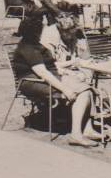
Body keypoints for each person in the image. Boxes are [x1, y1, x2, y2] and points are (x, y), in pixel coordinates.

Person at [12, 15, 100, 147]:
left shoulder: (37, 45)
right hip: (32, 82)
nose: (43, 32)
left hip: (50, 77)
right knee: (82, 91)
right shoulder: (28, 48)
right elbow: (43, 73)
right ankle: (76, 134)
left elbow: (53, 66)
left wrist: (68, 73)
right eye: (41, 29)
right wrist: (65, 89)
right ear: (34, 32)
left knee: (86, 88)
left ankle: (87, 129)